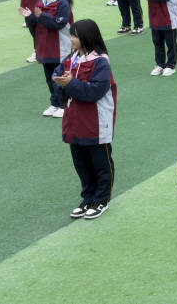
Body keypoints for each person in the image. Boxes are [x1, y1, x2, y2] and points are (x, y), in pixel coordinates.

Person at [53, 19, 116, 220]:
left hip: (96, 122)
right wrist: (61, 84)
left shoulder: (100, 62)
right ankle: (88, 197)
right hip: (75, 121)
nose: (71, 39)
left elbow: (94, 92)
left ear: (87, 37)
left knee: (101, 163)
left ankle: (102, 199)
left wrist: (69, 84)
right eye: (71, 35)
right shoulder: (70, 59)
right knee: (81, 163)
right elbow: (56, 79)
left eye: (75, 35)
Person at [21, 0, 73, 117]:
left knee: (60, 77)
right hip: (44, 46)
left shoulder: (62, 2)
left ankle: (64, 104)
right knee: (49, 77)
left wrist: (40, 16)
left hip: (59, 46)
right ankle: (54, 103)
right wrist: (29, 17)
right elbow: (37, 24)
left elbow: (59, 24)